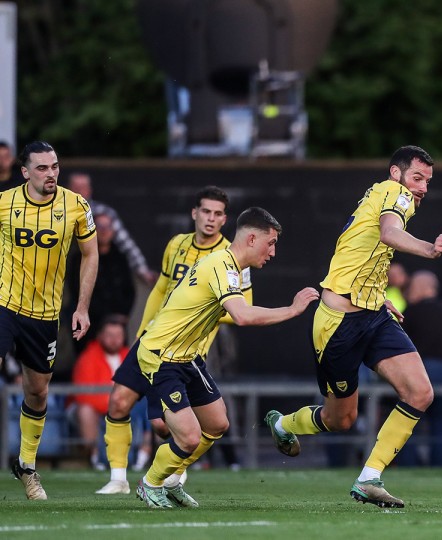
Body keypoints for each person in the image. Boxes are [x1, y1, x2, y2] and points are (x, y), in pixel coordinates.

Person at [264, 145, 442, 509]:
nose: (423, 187)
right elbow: (388, 233)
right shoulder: (393, 192)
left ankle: (370, 478)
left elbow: (362, 246)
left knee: (420, 392)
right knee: (342, 419)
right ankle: (285, 425)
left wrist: (376, 293)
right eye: (417, 177)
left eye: (428, 181)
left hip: (372, 314)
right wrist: (430, 249)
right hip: (337, 325)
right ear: (396, 173)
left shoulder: (383, 193)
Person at [134, 207, 319, 508]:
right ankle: (150, 483)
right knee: (190, 438)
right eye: (270, 243)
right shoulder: (222, 264)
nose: (273, 252)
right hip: (160, 355)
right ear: (250, 238)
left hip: (186, 356)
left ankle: (170, 479)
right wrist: (292, 309)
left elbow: (238, 312)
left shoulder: (230, 267)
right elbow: (243, 316)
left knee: (217, 424)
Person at [96, 186, 248, 495]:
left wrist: (195, 309)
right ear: (194, 213)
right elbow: (161, 288)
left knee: (167, 425)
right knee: (118, 401)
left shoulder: (231, 256)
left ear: (225, 219)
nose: (211, 219)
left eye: (218, 214)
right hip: (153, 340)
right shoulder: (177, 244)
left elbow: (240, 309)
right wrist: (141, 330)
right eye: (206, 211)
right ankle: (117, 479)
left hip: (187, 350)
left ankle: (175, 471)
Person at [2, 141, 99, 500]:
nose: (51, 174)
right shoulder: (4, 203)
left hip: (44, 314)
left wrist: (83, 306)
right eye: (42, 168)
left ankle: (26, 466)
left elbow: (90, 254)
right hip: (4, 302)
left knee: (38, 391)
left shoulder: (76, 205)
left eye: (55, 166)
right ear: (25, 172)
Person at [398, 270, 442, 466]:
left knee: (408, 420)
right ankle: (440, 466)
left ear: (423, 288)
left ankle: (408, 464)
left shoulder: (412, 311)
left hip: (419, 371)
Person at [67, 172, 156, 285]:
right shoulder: (56, 213)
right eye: (76, 187)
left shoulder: (103, 213)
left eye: (83, 187)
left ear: (89, 190)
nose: (79, 191)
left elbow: (126, 243)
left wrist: (142, 271)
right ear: (67, 189)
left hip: (96, 270)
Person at [67, 212, 135, 352]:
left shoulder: (121, 258)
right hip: (89, 325)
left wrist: (120, 317)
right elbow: (75, 290)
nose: (104, 231)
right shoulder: (78, 259)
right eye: (100, 226)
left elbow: (130, 291)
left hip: (117, 324)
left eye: (107, 226)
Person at [69, 315, 131, 470]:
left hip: (123, 407)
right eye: (110, 335)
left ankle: (143, 457)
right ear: (100, 336)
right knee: (85, 410)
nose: (114, 340)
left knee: (149, 408)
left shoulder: (130, 356)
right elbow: (84, 396)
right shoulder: (88, 357)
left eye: (118, 336)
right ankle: (94, 457)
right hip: (94, 409)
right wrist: (114, 403)